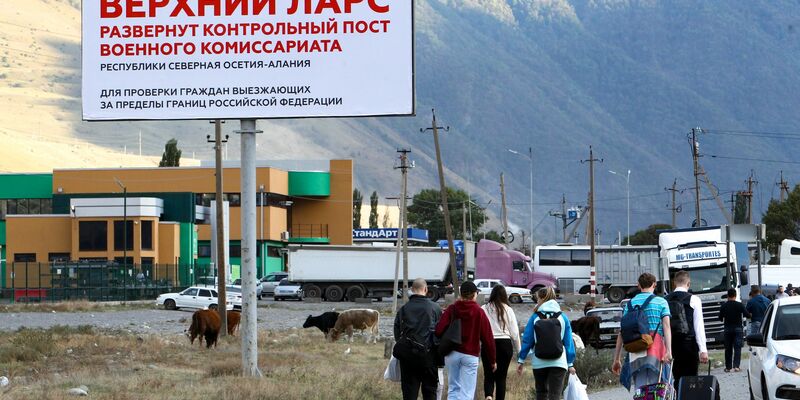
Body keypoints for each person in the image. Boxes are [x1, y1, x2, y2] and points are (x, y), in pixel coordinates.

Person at [435, 281, 496, 400]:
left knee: (453, 389)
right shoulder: (479, 312)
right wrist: (492, 360)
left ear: (461, 294)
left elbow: (438, 330)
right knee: (467, 392)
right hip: (470, 354)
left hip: (452, 353)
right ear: (474, 294)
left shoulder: (452, 309)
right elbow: (488, 338)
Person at [612, 273, 673, 391]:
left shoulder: (629, 304)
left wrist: (617, 358)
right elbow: (666, 327)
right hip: (655, 347)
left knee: (640, 389)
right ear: (655, 284)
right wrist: (669, 351)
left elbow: (622, 332)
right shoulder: (661, 302)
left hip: (636, 347)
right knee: (658, 387)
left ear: (638, 285)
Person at [516, 287, 576, 400]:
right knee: (555, 395)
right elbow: (568, 342)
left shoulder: (535, 317)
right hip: (559, 362)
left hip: (539, 362)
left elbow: (527, 340)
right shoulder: (563, 317)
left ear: (543, 298)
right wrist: (570, 363)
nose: (537, 301)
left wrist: (521, 360)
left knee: (541, 393)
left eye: (538, 299)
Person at [394, 278, 442, 400]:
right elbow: (440, 332)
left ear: (411, 290)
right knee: (430, 392)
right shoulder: (435, 308)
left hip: (408, 357)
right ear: (425, 289)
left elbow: (397, 332)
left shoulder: (403, 309)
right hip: (429, 357)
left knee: (409, 393)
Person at [666, 271, 708, 385]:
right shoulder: (694, 299)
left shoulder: (665, 300)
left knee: (677, 377)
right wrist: (703, 350)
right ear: (688, 283)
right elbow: (699, 326)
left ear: (674, 283)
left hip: (672, 344)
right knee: (691, 379)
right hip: (689, 344)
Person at [480, 285, 520, 400]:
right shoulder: (508, 309)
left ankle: (488, 396)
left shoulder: (484, 308)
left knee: (488, 375)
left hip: (488, 343)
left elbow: (480, 329)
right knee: (501, 378)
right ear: (504, 295)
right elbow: (515, 333)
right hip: (505, 344)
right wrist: (519, 352)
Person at [719, 288, 750, 372]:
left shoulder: (724, 306)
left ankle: (728, 367)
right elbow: (747, 315)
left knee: (728, 349)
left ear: (728, 296)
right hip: (738, 329)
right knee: (737, 348)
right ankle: (736, 366)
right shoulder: (740, 305)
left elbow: (720, 318)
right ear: (735, 296)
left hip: (727, 329)